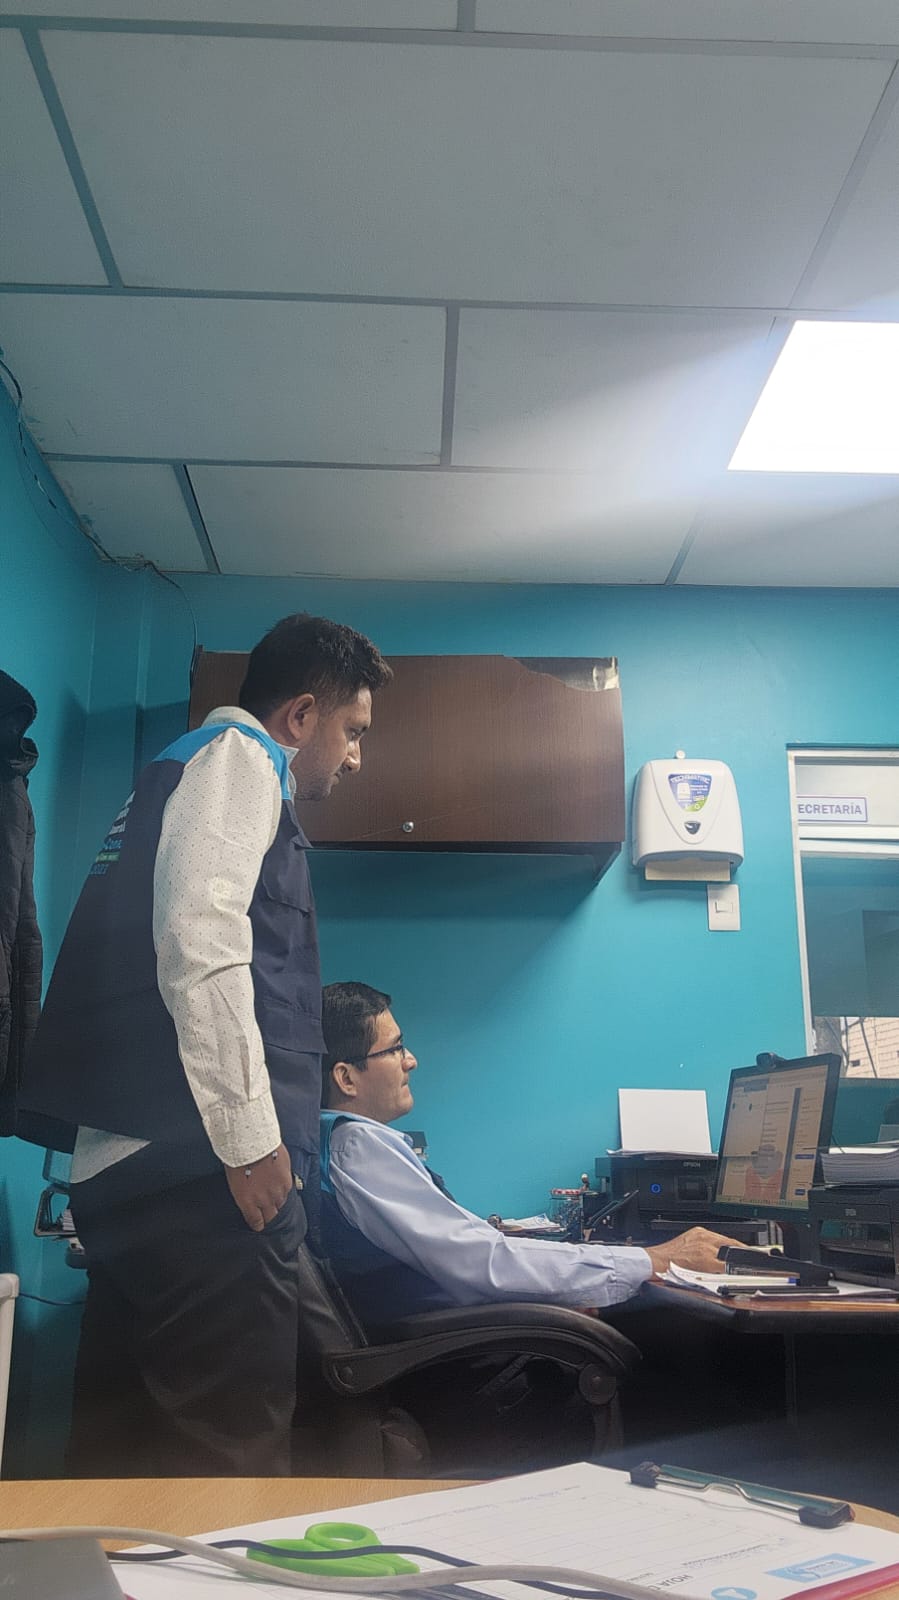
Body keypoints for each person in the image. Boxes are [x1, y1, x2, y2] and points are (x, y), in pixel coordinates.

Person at [18, 614, 391, 1475]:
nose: (355, 757)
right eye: (353, 730)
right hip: (204, 1176)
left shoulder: (177, 770)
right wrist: (251, 1141)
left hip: (133, 1166)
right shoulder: (240, 760)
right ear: (301, 715)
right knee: (226, 1459)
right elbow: (200, 941)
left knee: (119, 1459)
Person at [319, 982, 740, 1330]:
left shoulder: (341, 1142)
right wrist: (654, 1259)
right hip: (451, 1355)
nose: (410, 1061)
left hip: (457, 1333)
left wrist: (556, 1295)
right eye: (394, 1049)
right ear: (346, 1078)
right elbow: (482, 1263)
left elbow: (470, 1256)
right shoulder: (357, 1146)